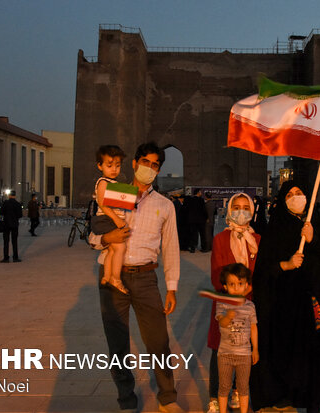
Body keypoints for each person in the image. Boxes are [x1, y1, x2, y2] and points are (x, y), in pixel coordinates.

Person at [89, 142, 184, 413]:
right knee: (117, 343)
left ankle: (167, 398)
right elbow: (93, 235)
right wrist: (107, 238)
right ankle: (127, 400)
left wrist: (172, 287)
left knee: (158, 341)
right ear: (134, 163)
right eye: (145, 162)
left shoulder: (164, 205)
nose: (149, 168)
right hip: (112, 276)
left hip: (145, 278)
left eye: (155, 165)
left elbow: (170, 247)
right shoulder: (117, 192)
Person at [250, 181, 320, 413]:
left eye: (299, 193)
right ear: (282, 200)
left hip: (315, 301)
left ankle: (313, 398)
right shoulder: (276, 228)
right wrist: (285, 265)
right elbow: (263, 271)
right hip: (285, 304)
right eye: (290, 194)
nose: (295, 197)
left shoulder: (318, 224)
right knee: (287, 352)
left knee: (317, 354)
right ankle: (284, 395)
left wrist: (314, 240)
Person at [207, 192, 260, 413]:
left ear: (252, 211)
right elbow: (216, 274)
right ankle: (215, 397)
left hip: (248, 303)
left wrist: (247, 291)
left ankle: (239, 392)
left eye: (245, 207)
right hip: (226, 303)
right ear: (229, 210)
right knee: (219, 349)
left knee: (244, 351)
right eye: (236, 207)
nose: (241, 211)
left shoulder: (257, 241)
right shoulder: (220, 239)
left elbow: (260, 273)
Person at [215, 263, 258, 413]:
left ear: (246, 285)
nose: (236, 287)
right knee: (224, 386)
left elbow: (253, 327)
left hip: (244, 354)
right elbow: (222, 322)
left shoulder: (250, 306)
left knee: (243, 387)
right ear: (225, 287)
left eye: (240, 284)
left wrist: (255, 349)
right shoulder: (222, 303)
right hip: (225, 354)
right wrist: (228, 317)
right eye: (232, 284)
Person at [91, 145, 130, 295]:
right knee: (120, 248)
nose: (114, 169)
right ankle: (116, 278)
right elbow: (102, 204)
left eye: (117, 165)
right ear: (99, 165)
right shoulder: (103, 182)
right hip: (107, 220)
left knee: (111, 251)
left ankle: (107, 276)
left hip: (111, 219)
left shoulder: (115, 184)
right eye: (109, 165)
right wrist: (117, 220)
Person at [0, 190, 23, 262]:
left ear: (9, 195)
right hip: (15, 224)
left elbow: (1, 212)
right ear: (15, 196)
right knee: (14, 241)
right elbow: (20, 215)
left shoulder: (5, 203)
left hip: (6, 224)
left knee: (6, 241)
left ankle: (6, 257)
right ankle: (15, 257)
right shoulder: (18, 204)